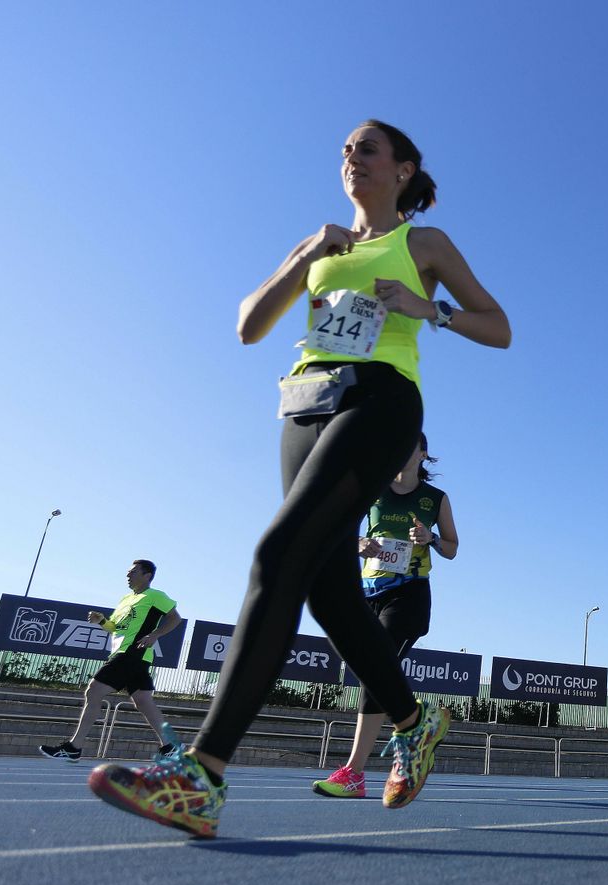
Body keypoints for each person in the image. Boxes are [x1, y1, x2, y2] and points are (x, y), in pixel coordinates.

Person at [87, 121, 511, 838]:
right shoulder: (317, 243)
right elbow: (250, 326)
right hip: (306, 405)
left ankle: (203, 775)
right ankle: (414, 717)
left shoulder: (423, 244)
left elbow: (498, 326)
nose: (352, 157)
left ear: (404, 170)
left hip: (380, 399)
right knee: (327, 588)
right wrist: (310, 254)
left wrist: (427, 309)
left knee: (276, 556)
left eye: (368, 148)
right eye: (345, 149)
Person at [312, 434, 458, 798]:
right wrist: (359, 544)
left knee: (378, 664)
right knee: (372, 672)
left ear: (422, 453)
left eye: (409, 443)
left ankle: (354, 771)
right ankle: (417, 723)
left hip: (409, 593)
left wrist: (431, 539)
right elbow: (343, 531)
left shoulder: (435, 499)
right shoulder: (371, 490)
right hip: (368, 594)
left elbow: (453, 548)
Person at [39, 559, 183, 763]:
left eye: (133, 572)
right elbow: (115, 627)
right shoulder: (125, 599)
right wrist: (102, 621)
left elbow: (175, 618)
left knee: (94, 690)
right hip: (130, 655)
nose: (128, 575)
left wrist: (155, 635)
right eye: (128, 572)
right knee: (143, 700)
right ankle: (171, 747)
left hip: (131, 652)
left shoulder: (155, 596)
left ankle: (74, 747)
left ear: (147, 575)